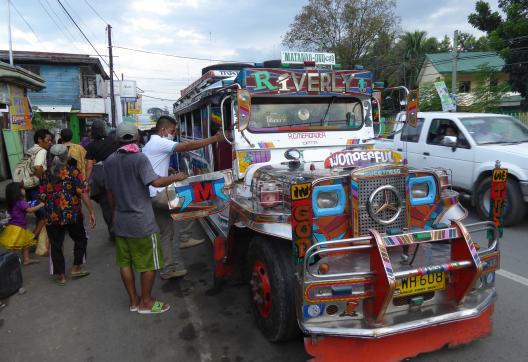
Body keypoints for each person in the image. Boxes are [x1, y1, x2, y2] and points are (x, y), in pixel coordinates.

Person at [104, 123, 187, 314]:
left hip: (120, 221)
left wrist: (115, 211)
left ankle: (134, 301)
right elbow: (156, 182)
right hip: (141, 221)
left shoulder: (109, 161)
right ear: (137, 138)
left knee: (125, 263)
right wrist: (177, 176)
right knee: (149, 263)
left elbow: (109, 192)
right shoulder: (139, 158)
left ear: (117, 140)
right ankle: (147, 302)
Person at [143, 116, 224, 280]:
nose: (174, 134)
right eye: (173, 131)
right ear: (164, 130)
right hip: (159, 194)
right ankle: (185, 237)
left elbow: (153, 166)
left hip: (151, 195)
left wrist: (169, 169)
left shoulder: (150, 144)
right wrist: (214, 139)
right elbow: (188, 146)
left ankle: (168, 269)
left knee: (166, 233)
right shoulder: (159, 141)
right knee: (196, 198)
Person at [39, 144, 96, 286]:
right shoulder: (73, 172)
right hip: (73, 214)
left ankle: (61, 276)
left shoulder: (45, 175)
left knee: (56, 244)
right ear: (66, 157)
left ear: (50, 158)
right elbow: (83, 193)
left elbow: (42, 196)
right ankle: (76, 267)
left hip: (52, 215)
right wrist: (91, 211)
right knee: (81, 238)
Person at [85, 120, 118, 241]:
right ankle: (122, 229)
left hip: (101, 178)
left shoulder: (91, 146)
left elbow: (89, 166)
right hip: (115, 175)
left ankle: (112, 231)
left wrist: (86, 181)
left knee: (105, 206)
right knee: (118, 203)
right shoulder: (113, 141)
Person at [0, 182, 45, 265]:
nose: (24, 190)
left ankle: (26, 259)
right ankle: (10, 261)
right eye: (22, 189)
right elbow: (30, 210)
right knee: (16, 245)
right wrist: (41, 205)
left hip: (15, 227)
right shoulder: (20, 202)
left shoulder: (12, 203)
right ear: (17, 192)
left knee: (25, 244)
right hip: (19, 228)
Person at [26, 129, 53, 239]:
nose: (50, 142)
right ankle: (31, 240)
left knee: (40, 214)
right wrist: (41, 178)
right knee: (44, 216)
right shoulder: (41, 151)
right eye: (48, 140)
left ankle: (38, 241)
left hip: (28, 188)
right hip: (35, 188)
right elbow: (38, 167)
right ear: (40, 140)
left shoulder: (30, 150)